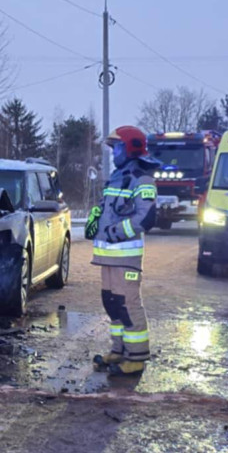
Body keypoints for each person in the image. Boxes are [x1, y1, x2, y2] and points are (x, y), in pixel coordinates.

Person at [88, 125, 160, 375]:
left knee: (128, 304)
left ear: (130, 148)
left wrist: (115, 233)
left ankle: (136, 358)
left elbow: (146, 218)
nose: (113, 152)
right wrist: (94, 223)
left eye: (117, 147)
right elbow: (105, 210)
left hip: (125, 256)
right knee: (112, 303)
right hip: (107, 256)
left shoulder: (142, 179)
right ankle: (118, 351)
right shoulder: (117, 177)